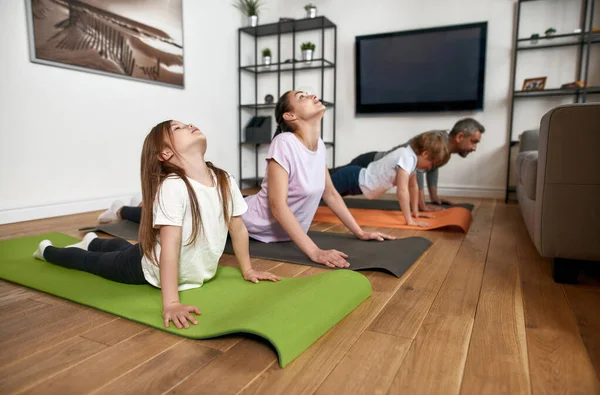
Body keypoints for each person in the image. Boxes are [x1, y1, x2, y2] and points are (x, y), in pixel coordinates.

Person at [33, 120, 279, 329]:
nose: (189, 125)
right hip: (143, 267)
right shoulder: (174, 186)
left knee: (124, 247)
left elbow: (238, 228)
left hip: (150, 252)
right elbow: (170, 248)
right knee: (91, 263)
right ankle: (47, 251)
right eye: (178, 127)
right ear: (165, 154)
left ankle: (93, 241)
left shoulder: (224, 180)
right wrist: (171, 303)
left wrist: (248, 270)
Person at [242, 90, 396, 269]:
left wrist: (360, 232)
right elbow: (278, 206)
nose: (313, 96)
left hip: (281, 234)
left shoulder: (319, 145)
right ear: (290, 115)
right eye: (302, 97)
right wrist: (315, 251)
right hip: (248, 219)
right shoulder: (284, 143)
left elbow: (330, 193)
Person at [330, 118, 485, 211]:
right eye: (474, 142)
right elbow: (416, 170)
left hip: (373, 171)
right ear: (459, 136)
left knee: (335, 191)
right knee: (328, 182)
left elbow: (432, 171)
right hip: (370, 162)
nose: (474, 148)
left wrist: (434, 198)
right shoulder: (437, 140)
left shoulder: (444, 152)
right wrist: (421, 206)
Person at [329, 131, 450, 227]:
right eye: (431, 163)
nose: (430, 167)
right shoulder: (407, 157)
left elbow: (413, 186)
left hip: (358, 185)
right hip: (352, 178)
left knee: (326, 196)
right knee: (320, 192)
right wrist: (409, 221)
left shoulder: (412, 160)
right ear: (424, 154)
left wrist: (416, 213)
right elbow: (402, 191)